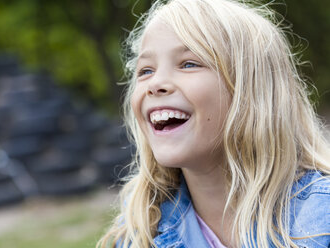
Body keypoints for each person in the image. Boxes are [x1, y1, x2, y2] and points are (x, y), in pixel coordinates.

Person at [97, 0, 330, 247]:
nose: (155, 84)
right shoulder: (141, 227)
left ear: (252, 91)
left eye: (188, 64)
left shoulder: (320, 216)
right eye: (145, 71)